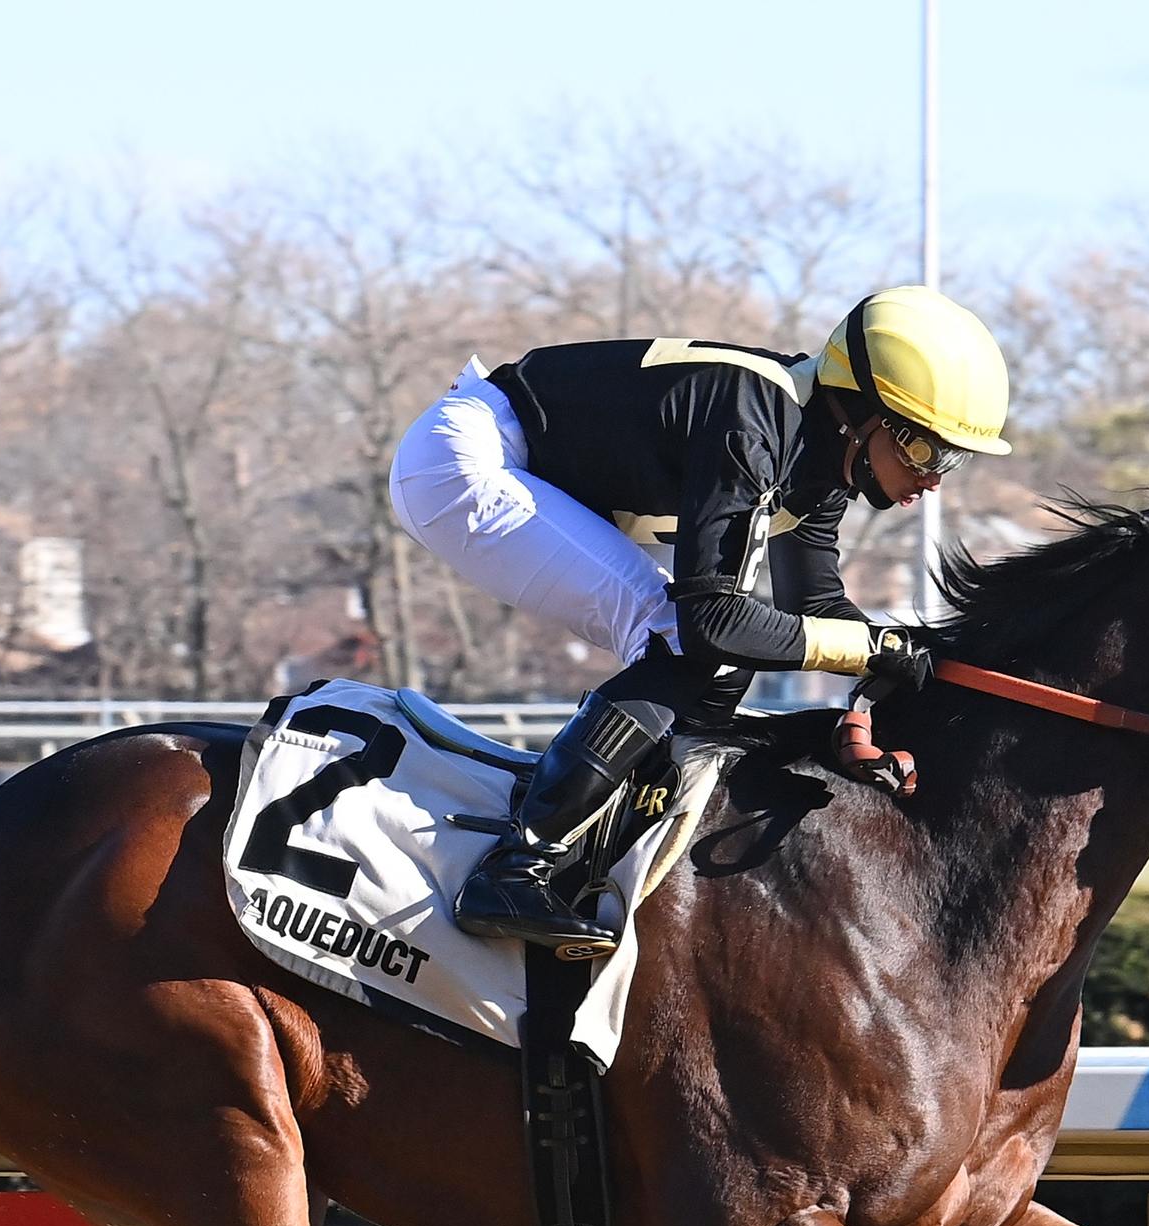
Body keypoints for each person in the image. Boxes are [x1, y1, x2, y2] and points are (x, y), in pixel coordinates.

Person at [387, 285, 1013, 954]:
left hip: (503, 457)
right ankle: (518, 864)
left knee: (717, 659)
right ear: (865, 417)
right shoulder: (753, 420)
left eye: (953, 459)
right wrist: (867, 649)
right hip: (464, 461)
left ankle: (628, 844)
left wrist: (917, 660)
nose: (935, 480)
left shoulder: (819, 458)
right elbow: (710, 621)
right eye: (926, 451)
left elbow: (817, 607)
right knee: (678, 636)